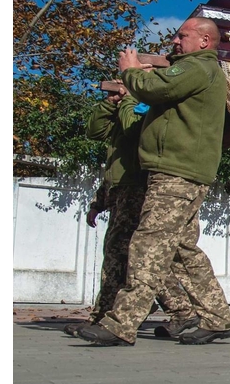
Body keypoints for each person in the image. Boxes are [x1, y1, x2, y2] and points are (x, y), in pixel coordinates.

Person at [74, 17, 230, 346]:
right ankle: (218, 317)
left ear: (205, 41)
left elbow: (154, 88)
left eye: (183, 35)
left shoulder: (198, 67)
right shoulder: (195, 69)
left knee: (147, 246)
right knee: (181, 249)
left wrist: (131, 71)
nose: (175, 41)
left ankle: (121, 323)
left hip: (177, 171)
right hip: (180, 171)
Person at [66, 93, 197, 339]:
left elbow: (131, 130)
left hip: (139, 187)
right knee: (131, 256)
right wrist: (109, 104)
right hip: (121, 189)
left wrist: (127, 101)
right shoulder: (126, 106)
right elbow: (95, 133)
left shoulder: (148, 104)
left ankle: (112, 315)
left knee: (133, 256)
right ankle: (175, 309)